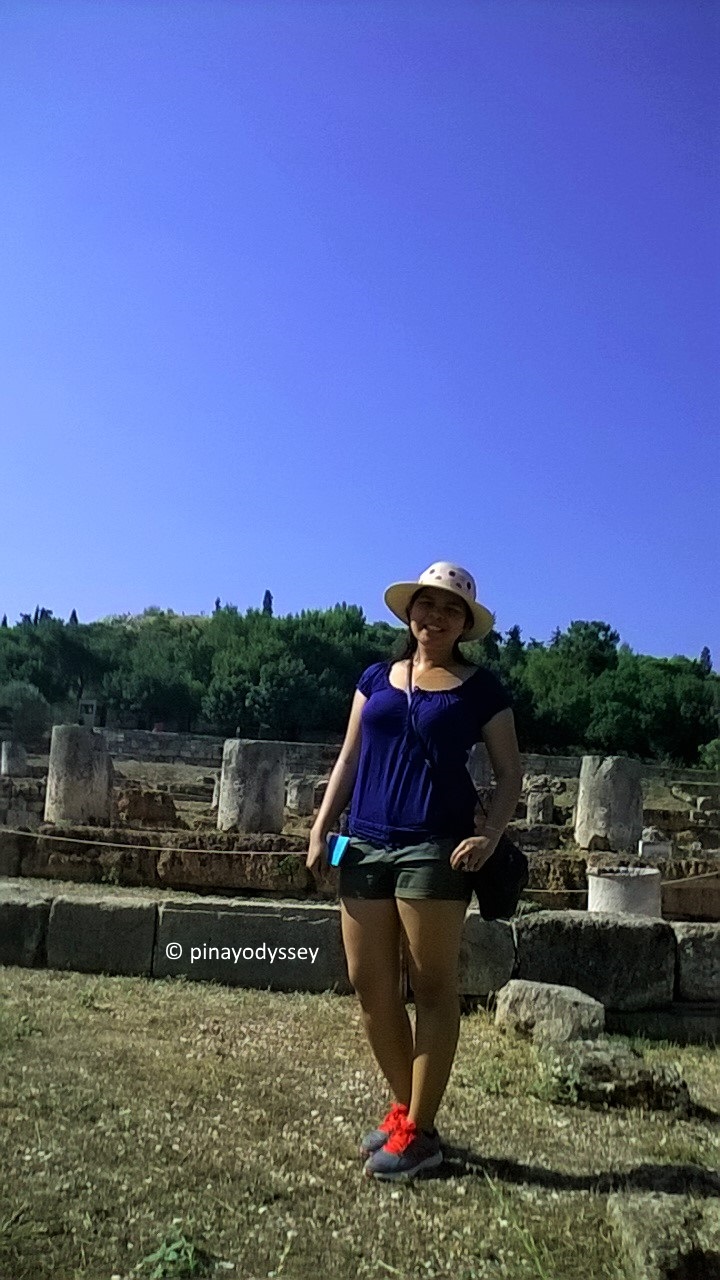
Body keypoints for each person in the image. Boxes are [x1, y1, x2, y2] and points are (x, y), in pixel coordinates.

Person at [306, 562, 524, 1181]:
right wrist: (321, 827)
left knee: (431, 988)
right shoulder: (375, 677)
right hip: (363, 844)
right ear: (410, 612)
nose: (436, 617)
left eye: (451, 610)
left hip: (436, 848)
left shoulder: (481, 688)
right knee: (369, 984)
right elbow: (350, 756)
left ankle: (419, 1133)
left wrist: (489, 836)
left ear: (465, 624)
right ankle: (411, 1114)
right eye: (427, 604)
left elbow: (510, 773)